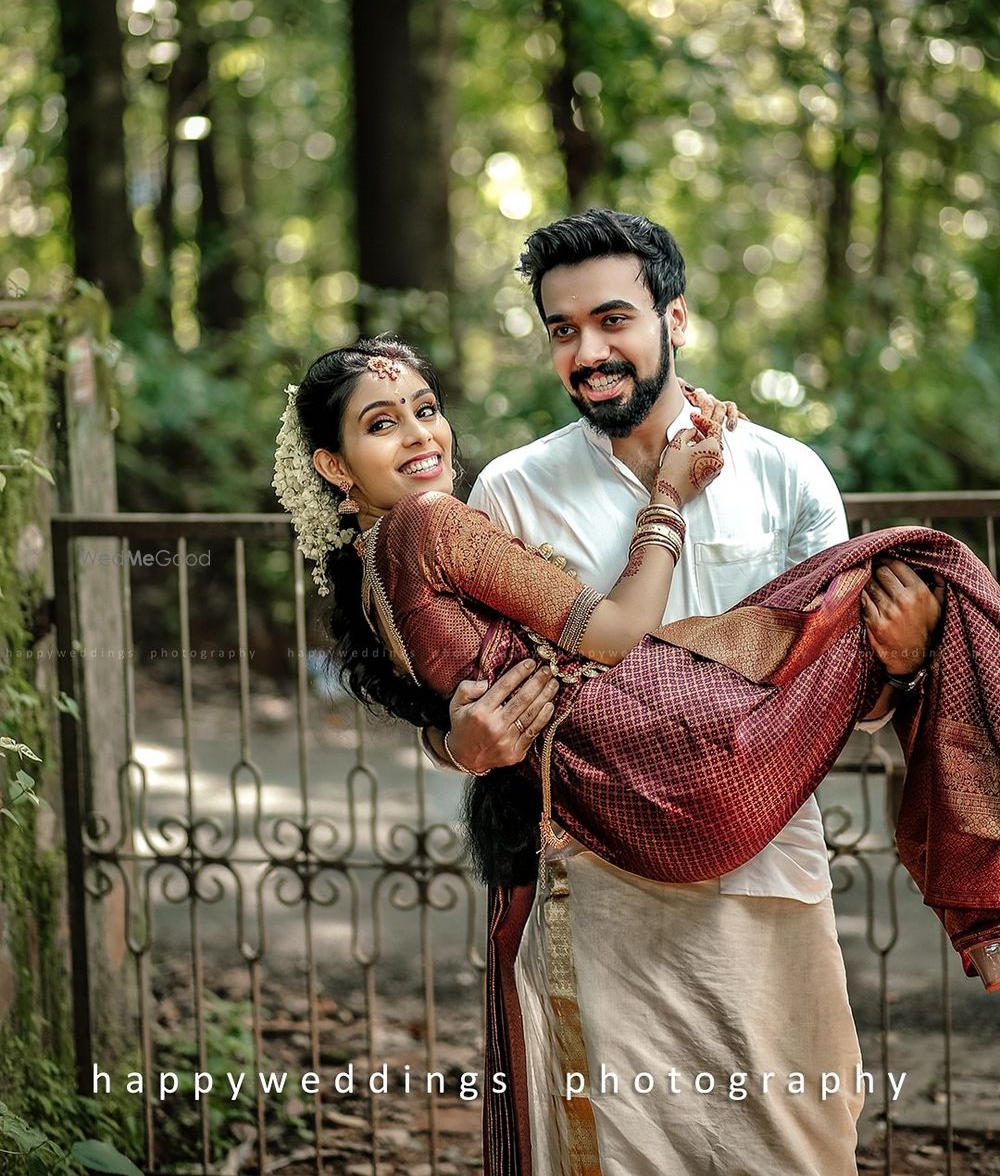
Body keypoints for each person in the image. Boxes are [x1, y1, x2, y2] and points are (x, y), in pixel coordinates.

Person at [272, 330, 1000, 1176]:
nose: (420, 436)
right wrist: (667, 496)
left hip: (666, 803)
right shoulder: (455, 514)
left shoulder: (375, 567)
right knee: (936, 561)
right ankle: (985, 914)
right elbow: (614, 636)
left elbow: (476, 685)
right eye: (383, 424)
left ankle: (985, 909)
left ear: (674, 319)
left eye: (426, 411)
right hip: (671, 767)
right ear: (333, 465)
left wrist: (901, 660)